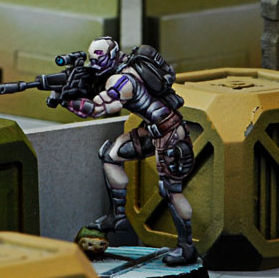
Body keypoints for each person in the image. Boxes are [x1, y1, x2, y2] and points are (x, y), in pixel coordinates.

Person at [62, 36, 199, 266]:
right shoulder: (130, 66)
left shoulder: (121, 80)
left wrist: (67, 100)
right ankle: (117, 216)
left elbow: (98, 109)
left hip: (171, 134)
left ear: (112, 56)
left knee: (170, 190)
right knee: (111, 155)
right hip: (153, 130)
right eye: (92, 60)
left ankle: (187, 248)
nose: (95, 65)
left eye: (99, 60)